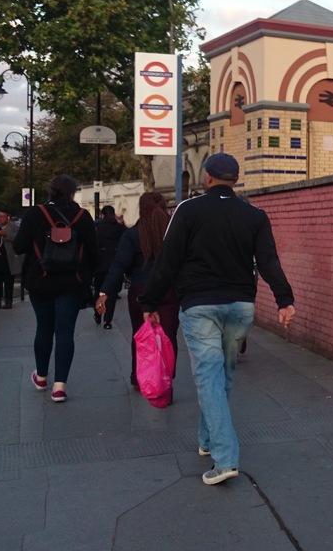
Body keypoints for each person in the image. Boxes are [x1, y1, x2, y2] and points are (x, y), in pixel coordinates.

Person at [141, 152, 296, 486]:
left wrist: (150, 300)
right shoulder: (255, 215)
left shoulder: (188, 210)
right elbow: (268, 260)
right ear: (235, 180)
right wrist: (284, 299)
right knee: (221, 375)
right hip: (240, 307)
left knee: (208, 377)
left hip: (200, 305)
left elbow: (168, 261)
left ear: (207, 177)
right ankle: (207, 439)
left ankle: (225, 459)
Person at [13, 175, 97, 403]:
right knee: (65, 332)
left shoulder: (34, 214)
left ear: (50, 191)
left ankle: (41, 376)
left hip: (41, 281)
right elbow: (93, 251)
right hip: (71, 283)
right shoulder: (83, 216)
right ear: (73, 192)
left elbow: (19, 247)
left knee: (44, 328)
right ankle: (59, 386)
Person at [96, 192, 179, 388]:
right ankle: (166, 375)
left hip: (140, 290)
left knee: (141, 334)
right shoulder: (174, 233)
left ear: (141, 209)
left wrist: (104, 292)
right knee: (169, 335)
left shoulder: (132, 234)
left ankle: (139, 375)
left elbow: (119, 264)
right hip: (169, 290)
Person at [92, 205, 126, 328]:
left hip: (100, 265)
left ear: (102, 215)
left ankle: (98, 313)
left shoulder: (97, 228)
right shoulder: (120, 228)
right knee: (111, 294)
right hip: (115, 266)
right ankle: (108, 320)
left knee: (98, 291)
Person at [0, 211, 23, 308]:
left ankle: (8, 301)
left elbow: (18, 238)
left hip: (8, 258)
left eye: (3, 217)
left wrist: (6, 235)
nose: (1, 219)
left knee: (8, 281)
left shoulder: (14, 227)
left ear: (8, 217)